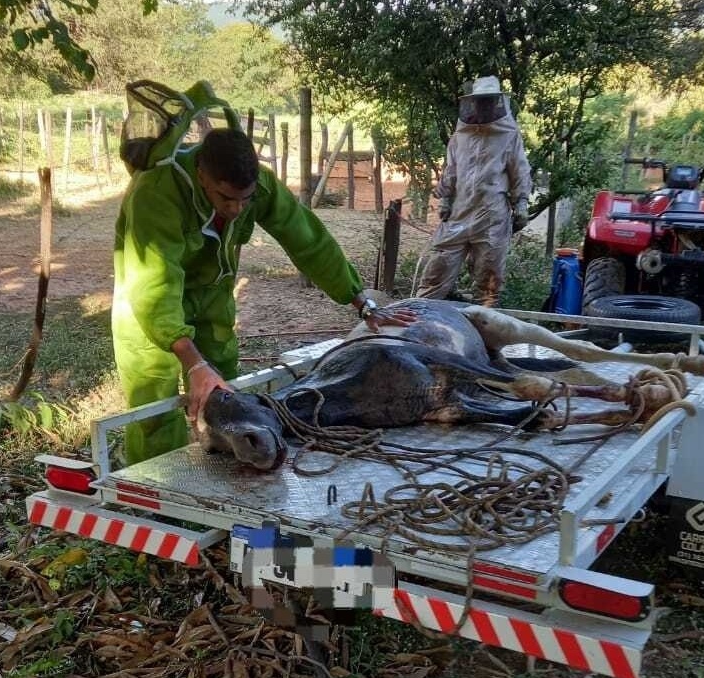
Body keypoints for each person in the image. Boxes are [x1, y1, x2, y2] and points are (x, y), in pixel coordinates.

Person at [113, 126, 415, 464]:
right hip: (148, 304)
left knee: (224, 396)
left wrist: (361, 303)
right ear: (200, 173)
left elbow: (308, 240)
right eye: (225, 198)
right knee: (154, 408)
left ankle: (218, 483)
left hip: (212, 298)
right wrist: (194, 362)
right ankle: (153, 491)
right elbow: (155, 286)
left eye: (245, 198)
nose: (237, 209)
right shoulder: (156, 192)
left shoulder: (260, 188)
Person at [417, 75, 532, 307]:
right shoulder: (460, 136)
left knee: (488, 282)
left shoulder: (508, 135)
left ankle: (486, 333)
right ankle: (418, 319)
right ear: (472, 103)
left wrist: (521, 203)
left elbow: (519, 170)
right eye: (480, 101)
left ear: (497, 102)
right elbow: (451, 170)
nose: (484, 105)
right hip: (458, 214)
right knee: (437, 271)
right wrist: (446, 200)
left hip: (491, 217)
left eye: (489, 101)